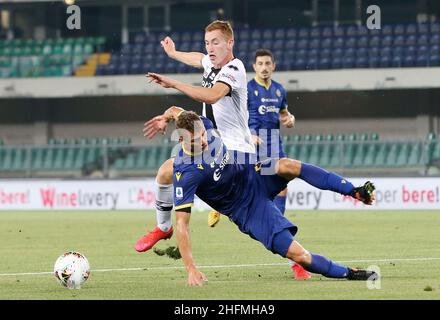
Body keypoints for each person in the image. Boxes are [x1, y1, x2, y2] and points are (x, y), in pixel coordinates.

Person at [166, 110, 377, 286]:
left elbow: (177, 111)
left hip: (253, 173)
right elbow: (182, 225)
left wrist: (166, 115)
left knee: (288, 165)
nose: (204, 141)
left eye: (203, 135)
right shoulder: (186, 173)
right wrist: (191, 269)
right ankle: (348, 272)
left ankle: (354, 191)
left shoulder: (200, 123)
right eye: (196, 139)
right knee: (298, 254)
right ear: (182, 138)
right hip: (246, 209)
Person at [135, 20, 256, 253]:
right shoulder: (210, 63)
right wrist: (173, 53)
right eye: (207, 43)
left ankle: (219, 203)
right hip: (209, 137)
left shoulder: (234, 68)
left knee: (258, 208)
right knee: (165, 172)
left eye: (216, 42)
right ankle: (163, 227)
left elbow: (211, 96)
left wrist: (174, 83)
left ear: (230, 43)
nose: (210, 48)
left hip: (234, 149)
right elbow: (197, 58)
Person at [207, 48, 310, 280]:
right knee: (252, 190)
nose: (264, 67)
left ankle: (286, 242)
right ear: (254, 67)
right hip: (250, 145)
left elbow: (284, 113)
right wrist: (249, 135)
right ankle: (221, 203)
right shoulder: (247, 87)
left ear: (273, 66)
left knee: (281, 190)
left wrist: (288, 118)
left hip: (274, 145)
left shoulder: (279, 90)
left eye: (268, 63)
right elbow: (234, 113)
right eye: (260, 63)